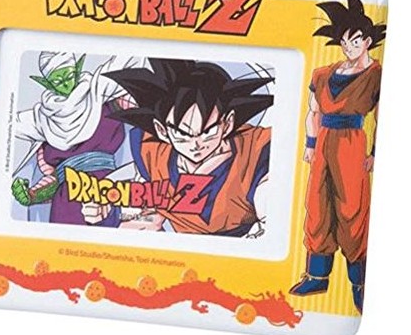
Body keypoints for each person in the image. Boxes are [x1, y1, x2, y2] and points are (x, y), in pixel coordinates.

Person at [82, 58, 273, 237]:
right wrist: (109, 212)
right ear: (162, 130)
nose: (196, 144)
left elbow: (270, 201)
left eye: (208, 131)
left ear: (228, 123)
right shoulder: (155, 154)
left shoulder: (255, 154)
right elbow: (149, 217)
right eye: (182, 134)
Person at [289, 0, 385, 313]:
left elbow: (381, 117)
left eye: (355, 41)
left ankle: (359, 283)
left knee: (352, 209)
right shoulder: (324, 73)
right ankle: (317, 276)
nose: (349, 47)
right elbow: (313, 111)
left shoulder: (376, 75)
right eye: (344, 42)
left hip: (352, 144)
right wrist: (310, 144)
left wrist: (375, 152)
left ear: (367, 41)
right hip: (324, 142)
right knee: (318, 206)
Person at [12, 52, 140, 226]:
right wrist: (32, 195)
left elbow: (131, 71)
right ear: (47, 83)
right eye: (58, 81)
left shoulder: (100, 94)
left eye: (69, 76)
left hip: (108, 188)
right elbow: (55, 178)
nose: (66, 84)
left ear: (77, 70)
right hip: (66, 202)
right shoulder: (42, 121)